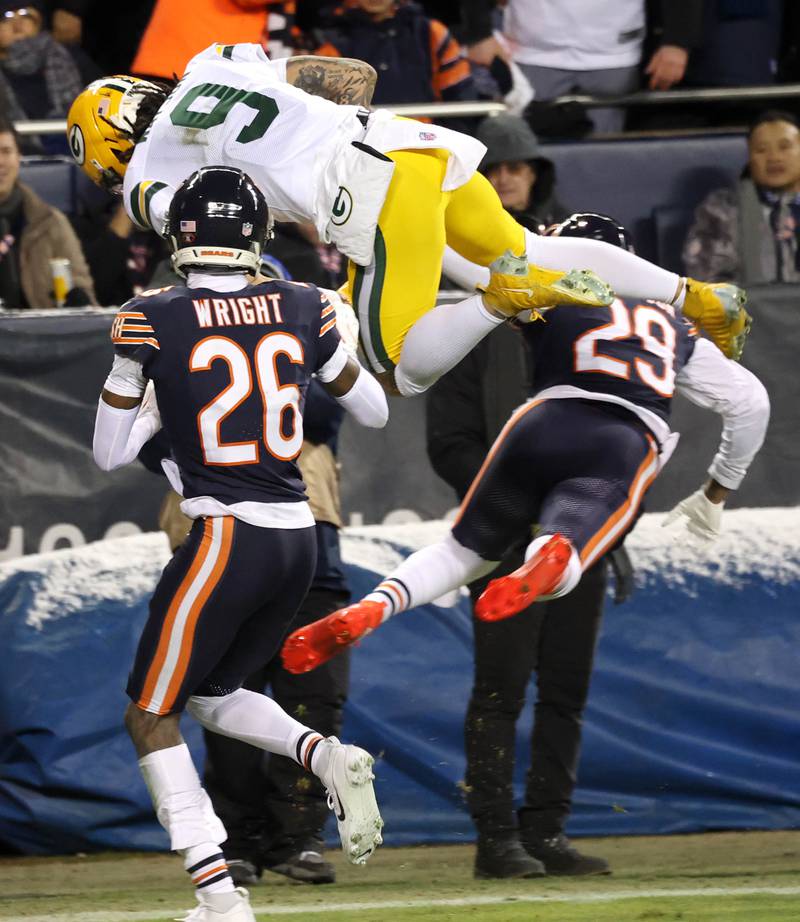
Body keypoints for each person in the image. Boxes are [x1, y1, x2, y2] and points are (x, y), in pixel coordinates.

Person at [281, 213, 769, 722]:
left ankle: (377, 605)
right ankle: (549, 557)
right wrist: (717, 489)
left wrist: (400, 227)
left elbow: (465, 265)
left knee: (460, 551)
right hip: (623, 436)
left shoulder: (555, 284)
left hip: (540, 420)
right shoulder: (674, 322)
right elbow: (750, 402)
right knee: (570, 541)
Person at [66, 43, 751, 402]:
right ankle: (695, 297)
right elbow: (351, 75)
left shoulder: (144, 171)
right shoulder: (210, 65)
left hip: (369, 189)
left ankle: (496, 302)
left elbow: (211, 237)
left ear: (107, 145)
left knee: (394, 368)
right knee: (525, 246)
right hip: (413, 143)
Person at [92, 165, 386, 922]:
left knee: (149, 714)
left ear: (180, 236)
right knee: (215, 694)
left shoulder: (151, 314)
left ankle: (218, 894)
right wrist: (336, 340)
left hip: (226, 532)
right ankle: (323, 756)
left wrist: (148, 395)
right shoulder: (305, 304)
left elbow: (106, 452)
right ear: (256, 235)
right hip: (298, 539)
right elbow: (376, 411)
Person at [425, 318, 628, 878]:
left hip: (575, 544)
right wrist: (525, 499)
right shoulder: (468, 340)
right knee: (501, 689)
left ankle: (546, 829)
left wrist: (604, 525)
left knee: (565, 690)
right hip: (506, 543)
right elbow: (448, 444)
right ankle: (496, 837)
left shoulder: (591, 345)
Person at [499, 0, 703, 134]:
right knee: (525, 158)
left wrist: (677, 41)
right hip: (530, 49)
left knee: (601, 161)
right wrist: (478, 33)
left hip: (613, 52)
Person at [683, 110, 800, 285]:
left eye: (785, 147)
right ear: (749, 157)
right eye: (761, 150)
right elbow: (709, 281)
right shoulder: (721, 210)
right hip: (749, 310)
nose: (774, 158)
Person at [0, 116, 95, 308]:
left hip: (40, 335)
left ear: (19, 157)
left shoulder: (51, 223)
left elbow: (82, 292)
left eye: (6, 151)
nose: (0, 161)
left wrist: (78, 302)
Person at [477, 113, 568, 231]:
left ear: (533, 174)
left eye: (514, 168)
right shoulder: (462, 229)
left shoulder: (562, 228)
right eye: (493, 169)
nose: (503, 179)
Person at [0, 0, 84, 122]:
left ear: (39, 23)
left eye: (25, 15)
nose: (17, 24)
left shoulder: (70, 57)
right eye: (6, 18)